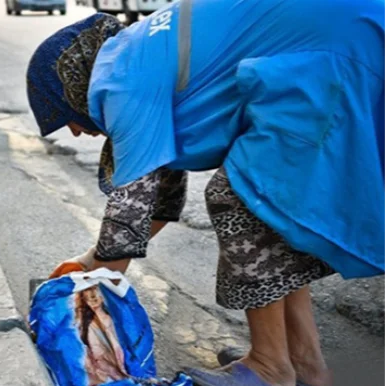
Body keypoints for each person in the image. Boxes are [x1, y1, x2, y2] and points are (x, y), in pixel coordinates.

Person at [25, 0, 386, 385]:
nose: (76, 132)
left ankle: (269, 366)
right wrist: (84, 264)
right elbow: (159, 201)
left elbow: (128, 220)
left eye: (63, 116)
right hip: (349, 31)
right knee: (274, 213)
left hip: (338, 48)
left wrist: (79, 293)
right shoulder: (137, 55)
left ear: (71, 82)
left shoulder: (121, 78)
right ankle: (305, 365)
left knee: (247, 196)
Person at [75, 286, 129, 385]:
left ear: (102, 298)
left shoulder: (111, 319)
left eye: (94, 297)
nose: (92, 302)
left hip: (114, 361)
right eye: (88, 299)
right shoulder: (89, 324)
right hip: (102, 363)